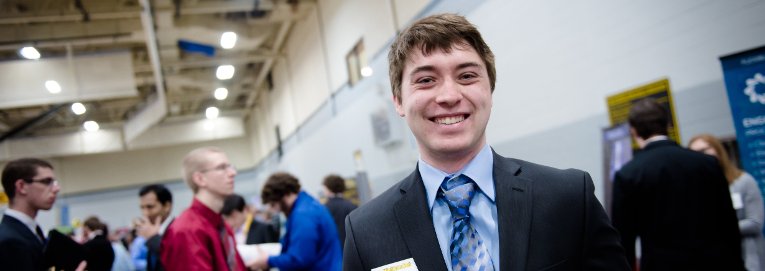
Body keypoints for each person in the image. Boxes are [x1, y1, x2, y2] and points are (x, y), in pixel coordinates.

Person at [343, 13, 629, 271]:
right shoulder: (366, 231)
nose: (449, 96)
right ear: (398, 101)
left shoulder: (567, 198)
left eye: (467, 76)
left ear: (489, 90)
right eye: (426, 80)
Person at [612, 98, 744, 270]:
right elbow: (728, 222)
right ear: (668, 124)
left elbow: (624, 238)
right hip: (715, 263)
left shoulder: (628, 175)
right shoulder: (707, 163)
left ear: (633, 131)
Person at [160, 147, 246, 271]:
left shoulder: (221, 225)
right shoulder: (187, 231)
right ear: (200, 179)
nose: (233, 173)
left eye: (230, 166)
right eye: (222, 168)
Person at [689, 134, 765, 271]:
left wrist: (717, 227)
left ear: (718, 151)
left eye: (703, 150)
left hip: (747, 258)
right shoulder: (696, 188)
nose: (699, 157)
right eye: (694, 154)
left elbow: (755, 223)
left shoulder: (743, 181)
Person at [249, 172, 342, 271]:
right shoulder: (307, 205)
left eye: (273, 204)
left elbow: (300, 258)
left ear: (284, 195)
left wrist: (268, 261)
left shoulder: (303, 215)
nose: (276, 210)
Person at [0, 158, 76, 270]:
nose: (56, 189)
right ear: (21, 186)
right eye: (46, 182)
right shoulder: (10, 242)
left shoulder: (30, 231)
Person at [131, 184, 173, 271]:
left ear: (167, 206)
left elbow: (176, 259)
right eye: (142, 208)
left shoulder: (178, 230)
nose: (145, 213)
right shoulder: (150, 233)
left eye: (150, 207)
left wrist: (153, 238)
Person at [321, 174, 356, 248]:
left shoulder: (324, 209)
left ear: (329, 189)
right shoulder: (352, 206)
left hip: (335, 250)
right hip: (352, 248)